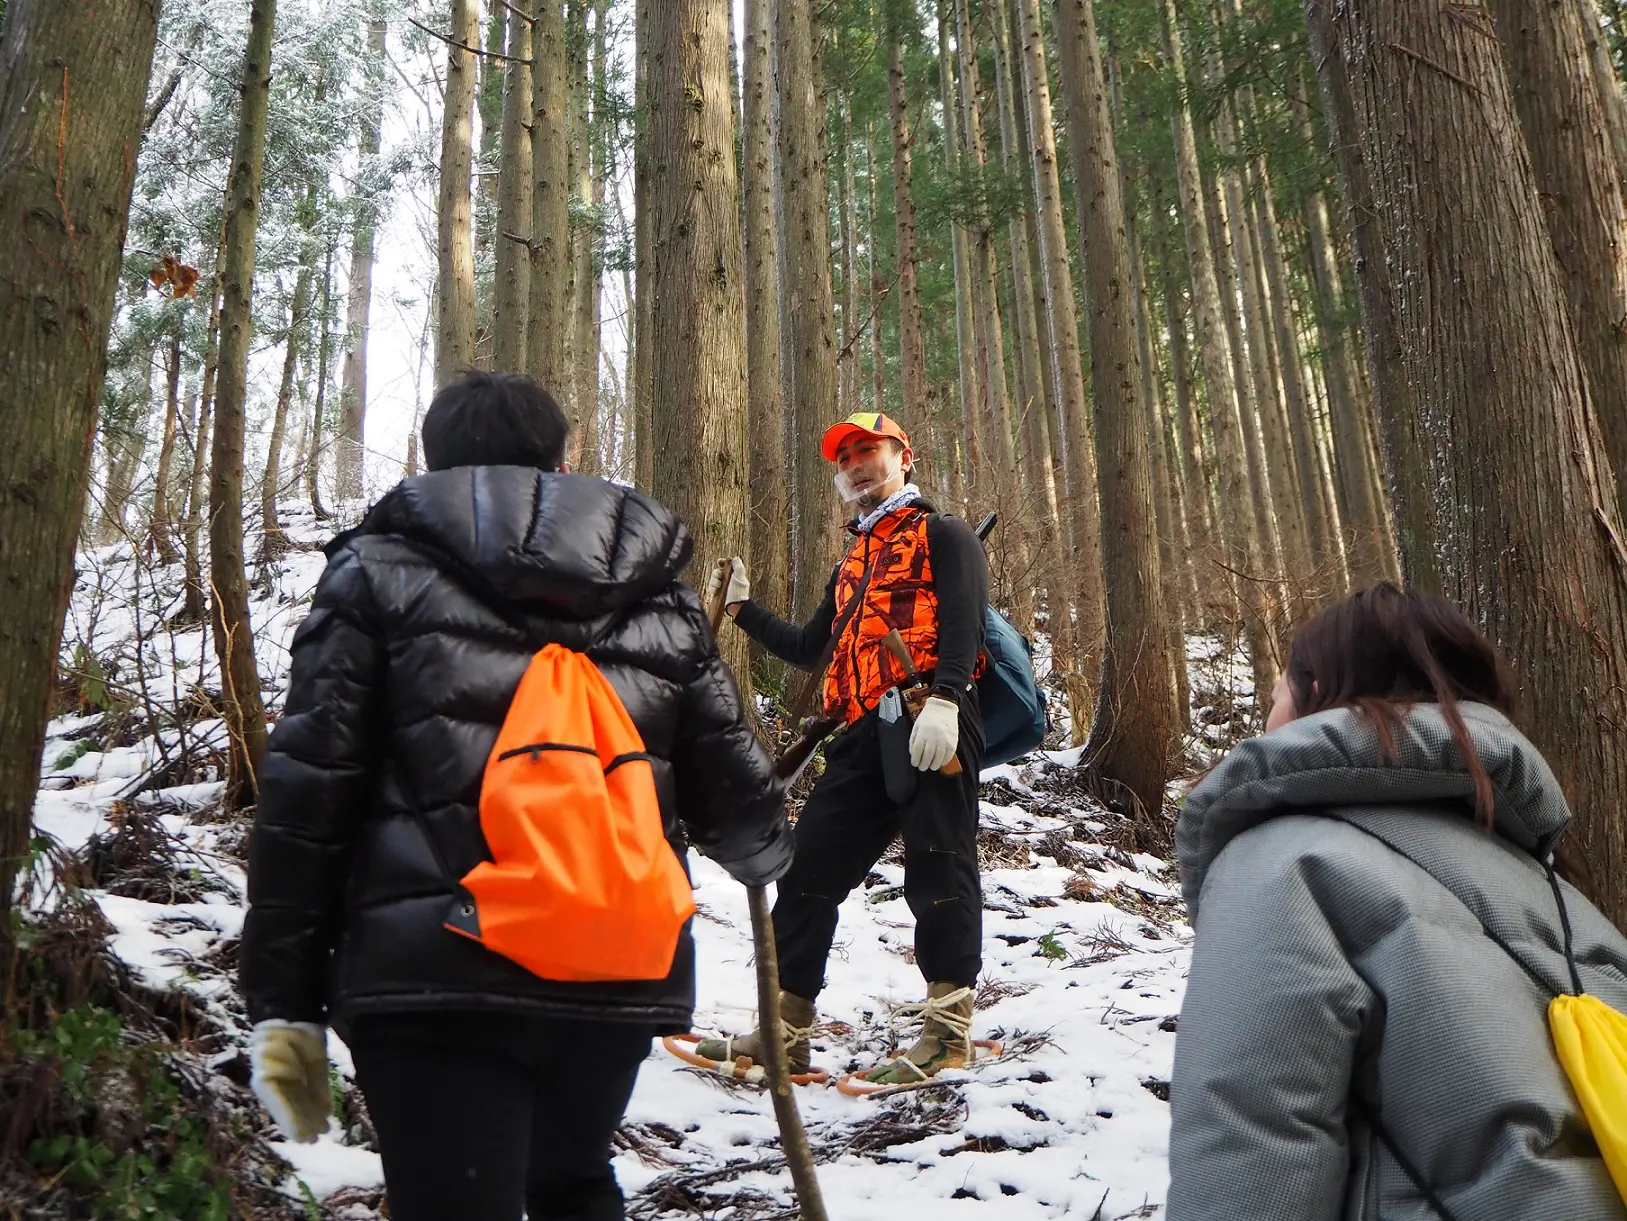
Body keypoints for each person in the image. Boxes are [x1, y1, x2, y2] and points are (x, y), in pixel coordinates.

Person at [238, 371, 792, 1221]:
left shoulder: (374, 574)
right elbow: (744, 809)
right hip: (610, 966)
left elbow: (307, 798)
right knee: (572, 1185)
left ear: (436, 461)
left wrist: (282, 1004)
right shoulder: (662, 601)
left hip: (434, 972)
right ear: (559, 458)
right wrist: (767, 851)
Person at [1168, 583, 1627, 1221]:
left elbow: (1250, 1139)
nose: (1265, 719)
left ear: (1318, 696)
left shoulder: (1287, 859)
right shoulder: (1557, 889)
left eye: (1276, 695)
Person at [699, 411, 990, 1086]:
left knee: (939, 866)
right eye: (846, 457)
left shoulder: (941, 534)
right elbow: (809, 648)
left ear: (903, 458)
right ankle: (783, 1034)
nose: (856, 464)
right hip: (862, 733)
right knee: (805, 875)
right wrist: (743, 609)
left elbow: (964, 623)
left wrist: (945, 698)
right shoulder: (854, 561)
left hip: (930, 715)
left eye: (869, 450)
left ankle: (946, 1034)